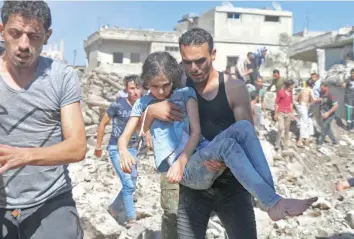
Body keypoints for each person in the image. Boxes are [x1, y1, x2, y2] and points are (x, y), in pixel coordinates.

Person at [126, 27, 315, 238]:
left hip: (231, 185)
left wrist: (223, 159)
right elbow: (138, 126)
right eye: (187, 62)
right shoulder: (173, 86)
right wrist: (152, 112)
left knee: (243, 130)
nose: (194, 68)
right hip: (193, 187)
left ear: (213, 55)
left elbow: (246, 138)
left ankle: (271, 201)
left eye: (200, 61)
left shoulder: (233, 87)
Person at [0, 1, 86, 238]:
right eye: (15, 34)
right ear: (1, 30)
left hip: (50, 200)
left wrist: (24, 155)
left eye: (34, 36)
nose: (24, 45)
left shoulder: (62, 77)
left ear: (47, 37)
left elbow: (77, 147)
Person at [94, 75, 143, 228]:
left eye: (138, 88)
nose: (135, 91)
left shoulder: (143, 105)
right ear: (126, 89)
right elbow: (102, 124)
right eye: (132, 88)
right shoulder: (117, 105)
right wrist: (98, 146)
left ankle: (115, 209)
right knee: (128, 185)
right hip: (116, 149)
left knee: (132, 183)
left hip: (133, 150)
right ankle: (131, 219)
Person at [274, 80, 295, 150]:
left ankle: (285, 145)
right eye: (292, 85)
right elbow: (276, 103)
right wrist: (275, 114)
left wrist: (292, 113)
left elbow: (291, 103)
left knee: (287, 130)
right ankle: (277, 143)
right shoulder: (281, 92)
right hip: (281, 113)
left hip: (288, 113)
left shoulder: (291, 92)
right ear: (289, 86)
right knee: (280, 128)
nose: (293, 86)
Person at [296, 79, 316, 147]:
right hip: (304, 107)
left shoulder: (302, 89)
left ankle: (306, 139)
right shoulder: (310, 90)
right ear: (312, 85)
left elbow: (296, 98)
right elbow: (314, 99)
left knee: (305, 122)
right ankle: (300, 141)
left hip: (299, 107)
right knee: (304, 124)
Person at [317, 82, 338, 147]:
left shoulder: (331, 94)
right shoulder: (321, 93)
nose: (321, 90)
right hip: (324, 114)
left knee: (324, 127)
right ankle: (334, 141)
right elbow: (322, 102)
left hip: (330, 115)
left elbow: (336, 105)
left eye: (322, 88)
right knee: (327, 128)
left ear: (326, 87)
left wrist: (328, 113)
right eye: (320, 88)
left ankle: (320, 143)